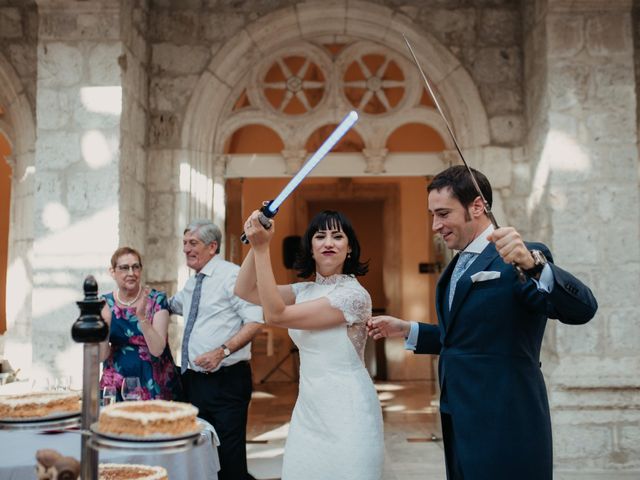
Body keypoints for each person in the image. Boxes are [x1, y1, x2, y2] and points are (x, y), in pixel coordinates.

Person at [368, 165, 598, 480]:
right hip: (457, 417)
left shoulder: (521, 259)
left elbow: (582, 310)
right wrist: (407, 329)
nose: (436, 225)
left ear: (477, 206)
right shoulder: (454, 268)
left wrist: (533, 266)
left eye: (443, 213)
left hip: (506, 419)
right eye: (433, 215)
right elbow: (464, 340)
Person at [235, 210, 384, 480]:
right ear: (310, 248)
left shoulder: (353, 296)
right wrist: (256, 235)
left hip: (348, 409)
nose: (328, 242)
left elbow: (276, 315)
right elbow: (244, 290)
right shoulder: (304, 292)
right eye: (320, 236)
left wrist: (262, 247)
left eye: (338, 237)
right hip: (309, 409)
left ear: (349, 248)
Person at [169, 220, 263, 480]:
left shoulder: (231, 276)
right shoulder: (191, 284)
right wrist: (136, 297)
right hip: (194, 382)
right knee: (200, 457)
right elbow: (170, 306)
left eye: (193, 243)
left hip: (226, 383)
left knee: (229, 460)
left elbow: (256, 319)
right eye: (184, 243)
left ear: (212, 247)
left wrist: (222, 351)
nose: (186, 249)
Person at [99, 247, 182, 401]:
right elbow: (101, 355)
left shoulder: (157, 299)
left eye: (135, 267)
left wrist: (141, 317)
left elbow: (157, 349)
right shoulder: (104, 303)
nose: (131, 273)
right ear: (112, 272)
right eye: (124, 268)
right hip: (116, 379)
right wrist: (105, 324)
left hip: (153, 378)